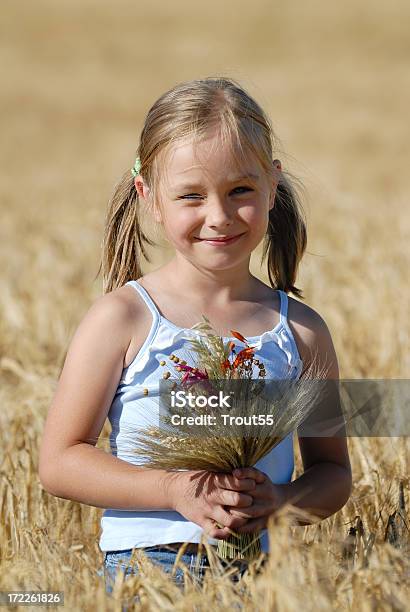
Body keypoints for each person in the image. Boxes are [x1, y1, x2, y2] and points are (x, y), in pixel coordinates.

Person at [38, 77, 352, 594]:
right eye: (191, 195)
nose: (219, 216)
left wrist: (278, 502)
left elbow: (333, 472)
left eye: (240, 191)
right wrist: (175, 489)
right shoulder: (123, 319)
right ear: (150, 197)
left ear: (273, 185)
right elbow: (59, 461)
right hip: (146, 576)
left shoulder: (302, 332)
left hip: (265, 580)